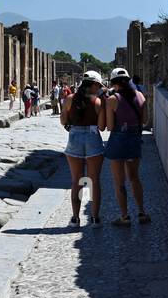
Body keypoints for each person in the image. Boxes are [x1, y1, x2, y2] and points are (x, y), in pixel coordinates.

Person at [104, 67, 150, 225]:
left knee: (119, 181)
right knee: (135, 177)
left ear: (114, 83)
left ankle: (124, 217)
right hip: (134, 139)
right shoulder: (140, 96)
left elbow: (109, 126)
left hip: (118, 140)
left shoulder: (112, 99)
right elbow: (144, 121)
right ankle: (142, 213)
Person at [61, 70, 107, 227]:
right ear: (94, 85)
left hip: (74, 138)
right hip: (93, 138)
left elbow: (63, 121)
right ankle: (95, 218)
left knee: (76, 181)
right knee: (94, 181)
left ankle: (75, 218)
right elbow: (101, 127)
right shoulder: (97, 102)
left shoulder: (69, 99)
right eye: (98, 86)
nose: (99, 89)